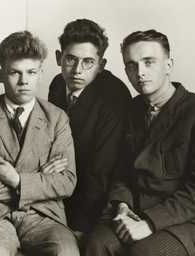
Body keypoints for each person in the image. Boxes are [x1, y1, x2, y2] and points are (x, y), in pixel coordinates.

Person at [84, 29, 195, 256]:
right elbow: (121, 173)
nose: (140, 72)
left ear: (168, 65)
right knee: (96, 243)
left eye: (149, 62)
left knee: (145, 253)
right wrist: (122, 206)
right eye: (131, 65)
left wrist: (148, 224)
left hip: (188, 221)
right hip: (134, 212)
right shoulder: (132, 109)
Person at [0, 31, 79, 256]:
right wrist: (38, 181)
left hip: (43, 215)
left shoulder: (58, 118)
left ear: (41, 74)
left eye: (31, 72)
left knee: (66, 252)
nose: (24, 81)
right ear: (0, 74)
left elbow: (66, 183)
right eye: (15, 72)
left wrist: (17, 179)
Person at [48, 19, 132, 237]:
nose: (77, 70)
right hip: (60, 187)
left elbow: (101, 170)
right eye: (71, 59)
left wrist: (76, 226)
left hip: (98, 200)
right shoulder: (57, 84)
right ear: (59, 57)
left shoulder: (115, 96)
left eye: (88, 62)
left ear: (101, 65)